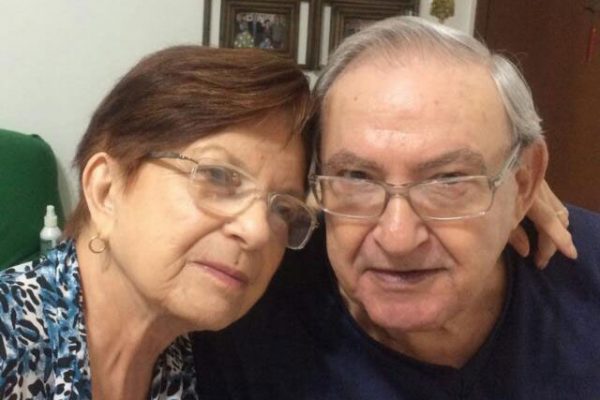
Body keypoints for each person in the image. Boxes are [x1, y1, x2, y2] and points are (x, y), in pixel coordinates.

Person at [192, 16, 599, 399]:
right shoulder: (247, 310)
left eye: (448, 180)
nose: (397, 239)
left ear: (524, 183)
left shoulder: (584, 286)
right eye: (357, 178)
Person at [0, 46, 318, 399]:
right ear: (106, 190)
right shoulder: (10, 338)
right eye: (217, 176)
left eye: (283, 209)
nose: (258, 231)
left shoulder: (209, 361)